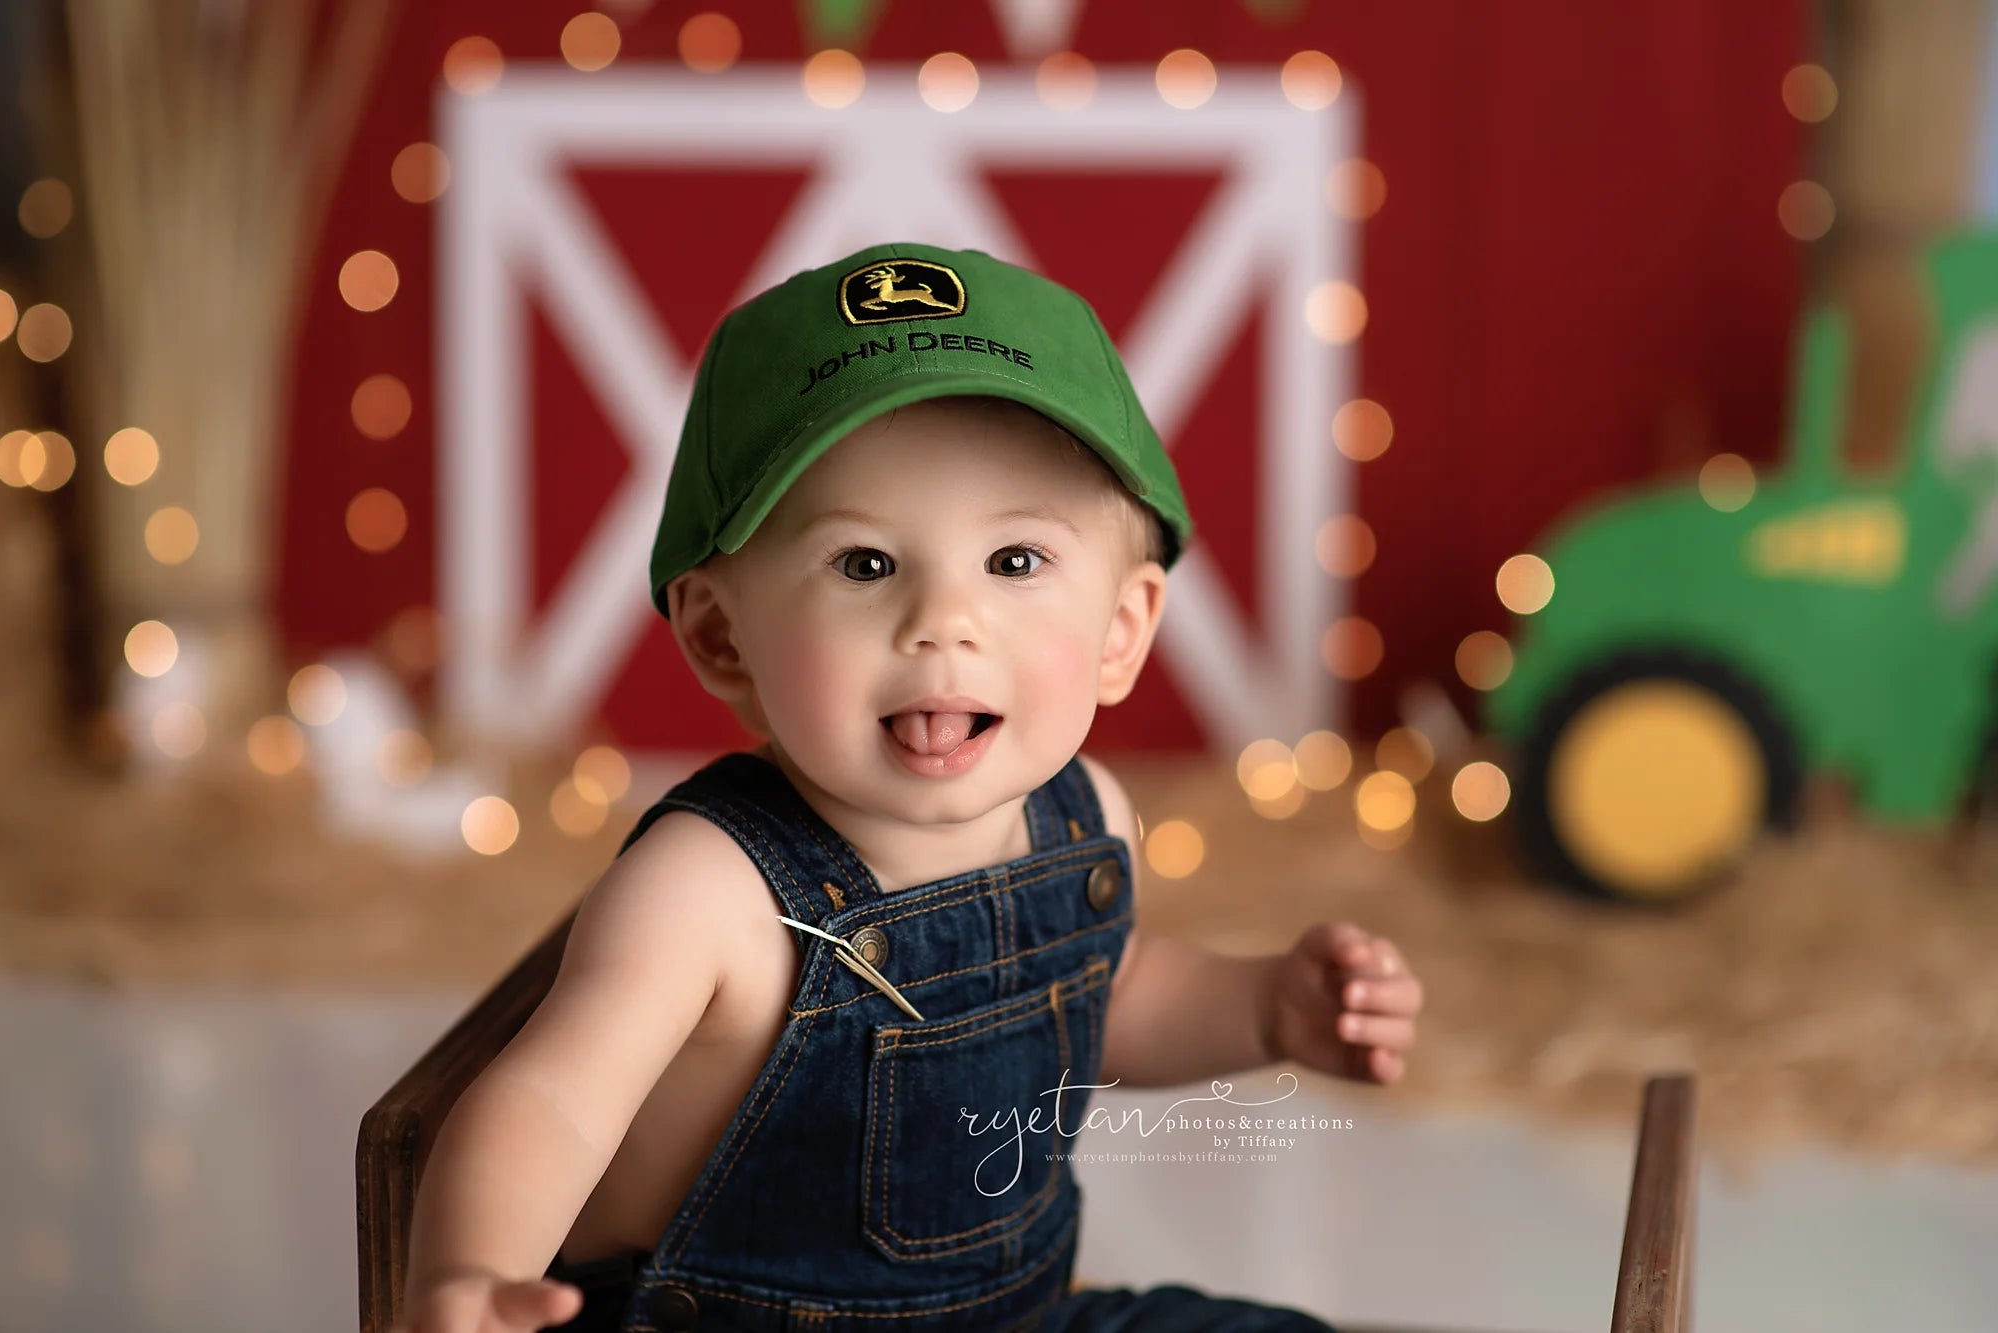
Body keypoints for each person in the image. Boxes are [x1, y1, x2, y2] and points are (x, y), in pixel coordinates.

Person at [392, 243, 1424, 1333]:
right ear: (719, 635)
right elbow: (552, 1099)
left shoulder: (1087, 821)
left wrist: (1265, 1007)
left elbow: (1105, 1000)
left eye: (1015, 561)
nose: (944, 620)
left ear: (1120, 631)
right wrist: (468, 1273)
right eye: (864, 563)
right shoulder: (705, 893)